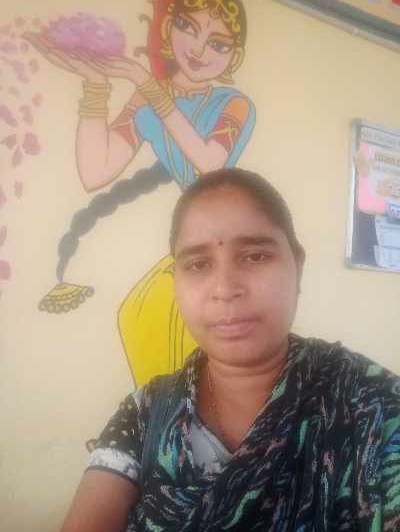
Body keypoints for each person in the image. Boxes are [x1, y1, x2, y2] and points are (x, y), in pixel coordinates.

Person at [61, 168, 400, 531]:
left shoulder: (374, 405)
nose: (224, 289)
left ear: (297, 266)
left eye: (255, 256)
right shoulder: (145, 415)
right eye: (197, 264)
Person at [24, 0, 256, 385]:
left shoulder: (235, 104)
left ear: (233, 57)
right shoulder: (145, 99)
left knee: (173, 324)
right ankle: (156, 414)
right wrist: (96, 85)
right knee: (138, 316)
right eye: (187, 28)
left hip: (215, 243)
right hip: (177, 240)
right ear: (167, 30)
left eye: (217, 44)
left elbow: (208, 165)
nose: (199, 50)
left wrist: (149, 88)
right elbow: (96, 170)